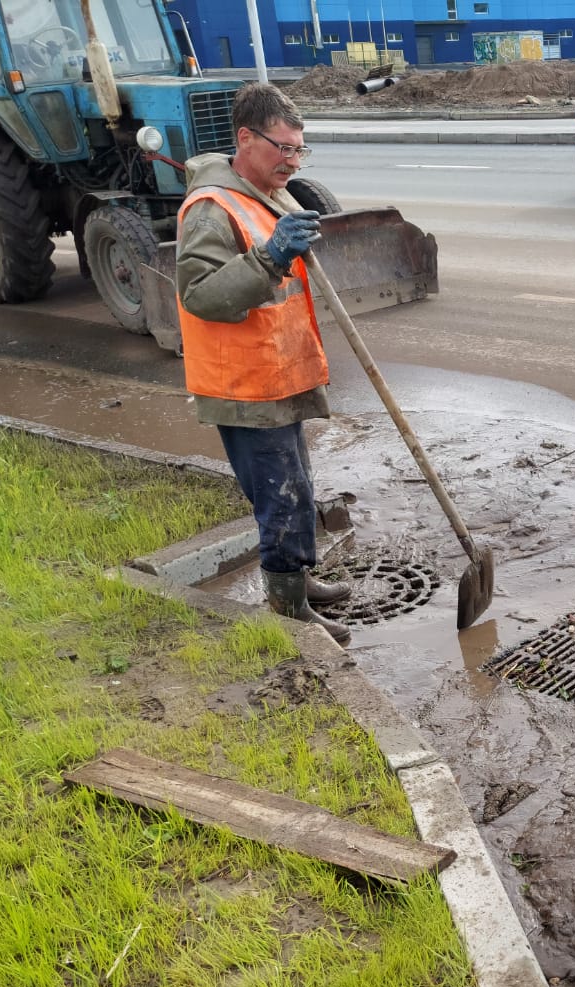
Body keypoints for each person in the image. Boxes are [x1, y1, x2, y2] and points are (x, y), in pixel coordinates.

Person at [176, 82, 352, 645]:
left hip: (277, 373)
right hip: (244, 384)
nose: (293, 160)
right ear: (245, 138)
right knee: (278, 494)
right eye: (283, 147)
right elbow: (200, 294)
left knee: (296, 483)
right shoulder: (211, 208)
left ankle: (296, 579)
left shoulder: (270, 194)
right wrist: (272, 254)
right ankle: (287, 609)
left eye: (300, 149)